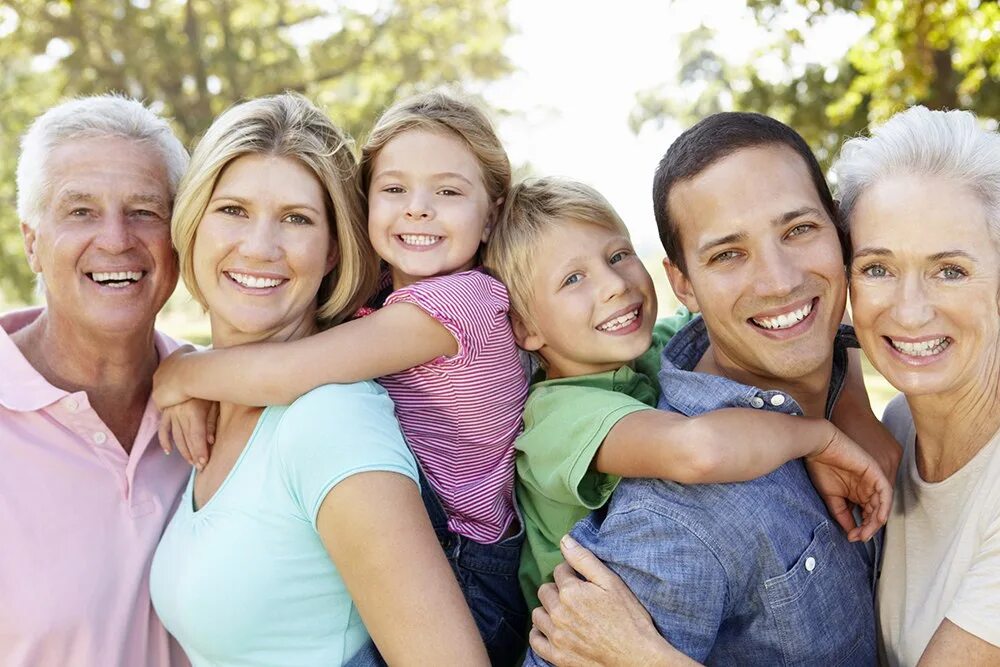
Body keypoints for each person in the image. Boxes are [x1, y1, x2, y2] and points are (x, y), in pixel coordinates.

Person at [150, 90, 529, 664]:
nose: (259, 246)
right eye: (233, 210)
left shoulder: (336, 413)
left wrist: (182, 372)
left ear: (333, 248)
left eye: (297, 219)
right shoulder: (376, 314)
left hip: (471, 558)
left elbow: (287, 373)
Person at [524, 112, 901, 666]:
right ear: (683, 283)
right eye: (728, 254)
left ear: (840, 231)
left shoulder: (876, 392)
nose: (779, 280)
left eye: (798, 230)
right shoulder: (673, 517)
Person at [482, 177, 890, 610]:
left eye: (618, 255)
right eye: (573, 279)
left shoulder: (664, 345)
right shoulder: (557, 415)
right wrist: (821, 437)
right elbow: (698, 450)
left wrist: (855, 409)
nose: (614, 284)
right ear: (526, 328)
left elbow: (807, 321)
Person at [0, 95, 191, 667]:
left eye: (145, 211)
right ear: (32, 242)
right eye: (80, 211)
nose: (115, 239)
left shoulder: (225, 401)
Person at [835, 106, 1000, 665]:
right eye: (878, 268)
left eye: (949, 270)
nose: (909, 312)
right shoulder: (899, 424)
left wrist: (640, 658)